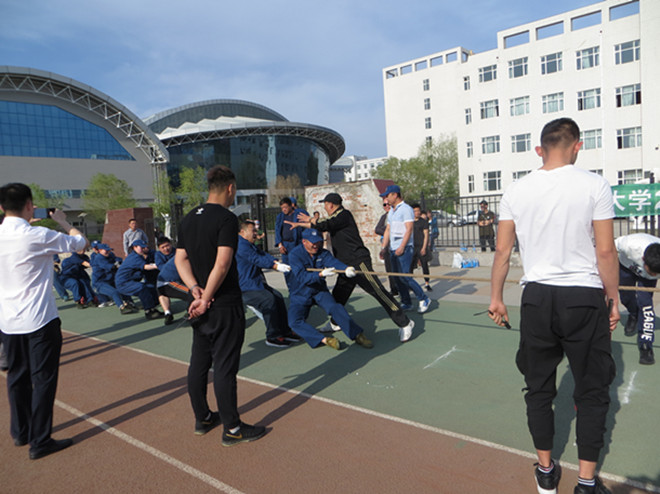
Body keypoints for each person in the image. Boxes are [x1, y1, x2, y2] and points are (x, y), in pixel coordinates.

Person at [488, 118, 619, 494]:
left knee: (539, 388)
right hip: (583, 297)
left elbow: (502, 250)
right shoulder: (594, 184)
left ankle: (546, 472)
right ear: (578, 146)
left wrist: (496, 298)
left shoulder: (516, 189)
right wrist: (613, 300)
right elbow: (605, 251)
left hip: (537, 298)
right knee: (592, 391)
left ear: (539, 150)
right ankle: (586, 482)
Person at [175, 165, 265, 446]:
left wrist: (195, 289)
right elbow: (223, 263)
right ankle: (233, 428)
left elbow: (180, 260)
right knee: (225, 368)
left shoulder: (189, 218)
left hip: (199, 303)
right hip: (223, 303)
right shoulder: (227, 219)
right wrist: (207, 297)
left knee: (199, 363)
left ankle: (202, 417)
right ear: (230, 188)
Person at [0, 182, 88, 460]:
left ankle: (21, 432)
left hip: (8, 320)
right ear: (29, 205)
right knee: (43, 380)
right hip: (39, 319)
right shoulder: (38, 235)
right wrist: (63, 221)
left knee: (16, 376)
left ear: (2, 207)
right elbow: (80, 244)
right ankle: (40, 441)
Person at [290, 192, 415, 342]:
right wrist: (301, 224)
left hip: (358, 262)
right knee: (338, 296)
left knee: (377, 291)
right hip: (345, 265)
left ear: (330, 205)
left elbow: (325, 224)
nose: (325, 208)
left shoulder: (343, 215)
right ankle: (335, 322)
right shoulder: (335, 218)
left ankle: (405, 323)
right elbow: (321, 226)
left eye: (325, 205)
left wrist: (310, 220)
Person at [287, 228, 373, 350]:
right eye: (313, 242)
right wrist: (320, 274)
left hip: (319, 290)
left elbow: (333, 262)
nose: (316, 245)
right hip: (300, 293)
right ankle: (324, 340)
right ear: (304, 241)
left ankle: (358, 335)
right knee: (294, 322)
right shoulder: (295, 255)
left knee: (336, 308)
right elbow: (301, 277)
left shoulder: (323, 253)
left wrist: (346, 269)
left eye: (318, 242)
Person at [236, 219, 300, 347]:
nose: (256, 233)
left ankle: (285, 331)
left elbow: (262, 254)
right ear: (242, 232)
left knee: (278, 297)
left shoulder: (249, 244)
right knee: (268, 300)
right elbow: (256, 259)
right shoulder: (240, 245)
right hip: (244, 287)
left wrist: (275, 262)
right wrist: (274, 266)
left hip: (255, 283)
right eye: (253, 231)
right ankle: (272, 336)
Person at [380, 185, 431, 314]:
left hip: (405, 249)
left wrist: (402, 246)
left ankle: (424, 298)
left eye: (387, 196)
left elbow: (409, 229)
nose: (386, 199)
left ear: (395, 195)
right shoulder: (391, 211)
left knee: (405, 277)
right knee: (397, 278)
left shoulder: (406, 209)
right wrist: (384, 247)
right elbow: (388, 230)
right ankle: (406, 302)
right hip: (393, 249)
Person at [615, 233, 660, 365]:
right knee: (625, 297)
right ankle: (634, 314)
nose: (655, 275)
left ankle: (646, 345)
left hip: (646, 281)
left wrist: (651, 275)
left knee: (645, 306)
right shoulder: (629, 244)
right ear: (643, 259)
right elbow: (608, 249)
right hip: (626, 267)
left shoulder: (653, 271)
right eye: (652, 272)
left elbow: (653, 272)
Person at [115, 239, 163, 320]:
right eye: (141, 247)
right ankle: (149, 312)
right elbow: (146, 267)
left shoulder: (140, 256)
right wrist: (159, 265)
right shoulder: (134, 257)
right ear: (135, 247)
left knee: (151, 287)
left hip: (130, 281)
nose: (144, 249)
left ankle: (152, 307)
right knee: (142, 288)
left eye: (145, 247)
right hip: (124, 283)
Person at [91, 243, 137, 315]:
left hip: (111, 280)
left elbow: (118, 259)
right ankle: (122, 307)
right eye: (105, 250)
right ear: (100, 250)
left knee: (123, 287)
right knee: (114, 292)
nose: (108, 252)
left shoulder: (110, 254)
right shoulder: (98, 258)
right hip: (99, 283)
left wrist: (120, 262)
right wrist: (118, 265)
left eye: (108, 250)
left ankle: (129, 303)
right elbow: (111, 267)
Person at [375, 199, 398, 296]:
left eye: (388, 204)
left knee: (399, 270)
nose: (387, 206)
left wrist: (388, 231)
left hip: (397, 246)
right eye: (385, 204)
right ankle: (394, 290)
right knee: (389, 270)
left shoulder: (397, 215)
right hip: (387, 247)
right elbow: (377, 229)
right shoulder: (384, 217)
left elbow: (395, 229)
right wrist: (387, 231)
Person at [411, 204, 432, 292]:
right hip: (412, 247)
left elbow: (426, 235)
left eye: (418, 210)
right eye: (415, 211)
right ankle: (410, 284)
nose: (417, 212)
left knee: (424, 265)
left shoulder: (423, 222)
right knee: (410, 267)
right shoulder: (409, 221)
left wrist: (424, 247)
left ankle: (427, 283)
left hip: (421, 246)